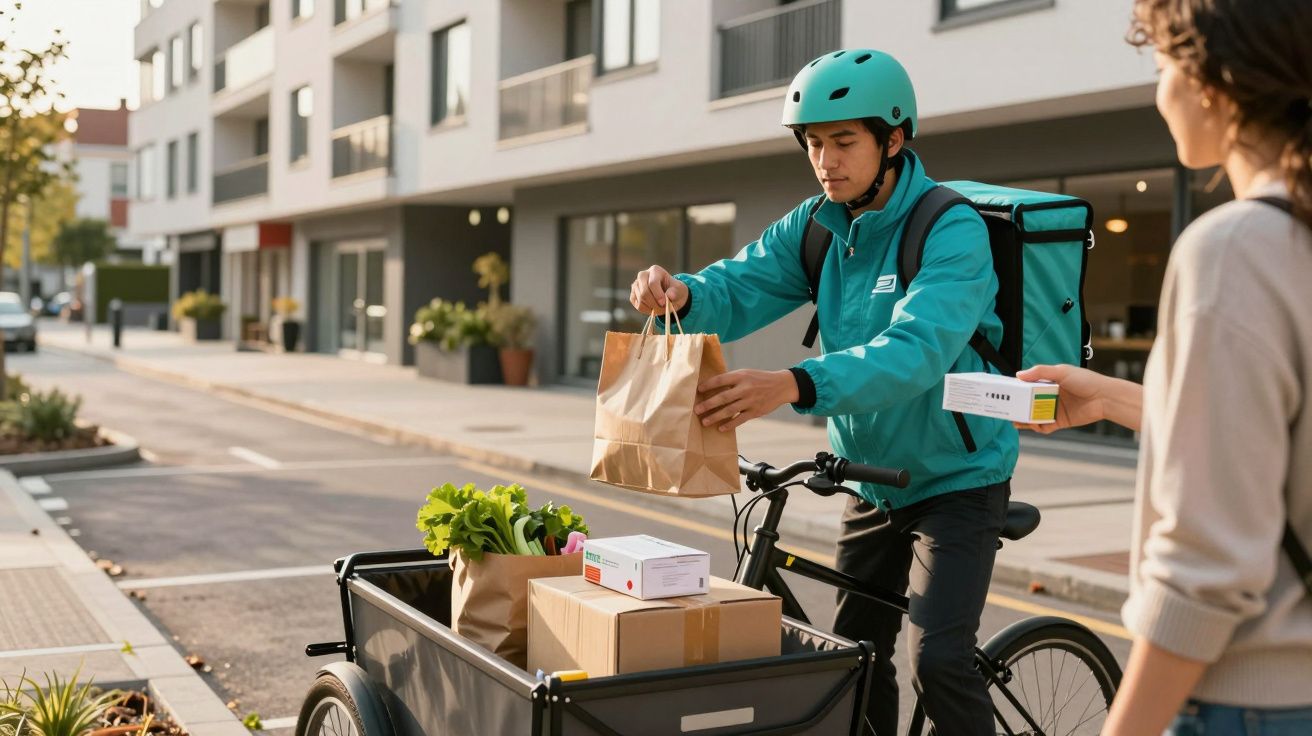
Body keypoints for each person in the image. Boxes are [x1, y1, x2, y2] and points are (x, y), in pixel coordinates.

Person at [629, 49, 1016, 735]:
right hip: (868, 482)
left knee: (941, 660)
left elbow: (915, 351)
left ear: (892, 140)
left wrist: (794, 383)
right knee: (856, 660)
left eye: (844, 142)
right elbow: (741, 283)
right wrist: (684, 292)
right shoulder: (816, 225)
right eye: (813, 143)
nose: (825, 160)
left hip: (957, 480)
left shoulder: (949, 229)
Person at [1014, 2, 1312, 733]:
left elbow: (1203, 574)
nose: (1159, 94)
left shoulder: (1236, 248)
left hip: (1253, 703)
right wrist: (1114, 397)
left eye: (1161, 70)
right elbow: (1272, 447)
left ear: (1210, 81)